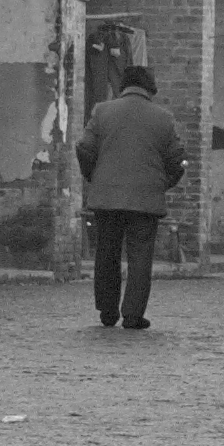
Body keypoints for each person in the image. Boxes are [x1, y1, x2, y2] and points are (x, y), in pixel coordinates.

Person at [75, 62, 184, 330]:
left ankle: (107, 311)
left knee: (106, 253)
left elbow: (84, 148)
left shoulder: (102, 111)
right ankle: (133, 314)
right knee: (140, 257)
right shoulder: (164, 118)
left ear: (123, 86)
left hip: (107, 196)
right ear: (150, 88)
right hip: (146, 200)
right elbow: (177, 159)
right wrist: (163, 183)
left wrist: (94, 177)